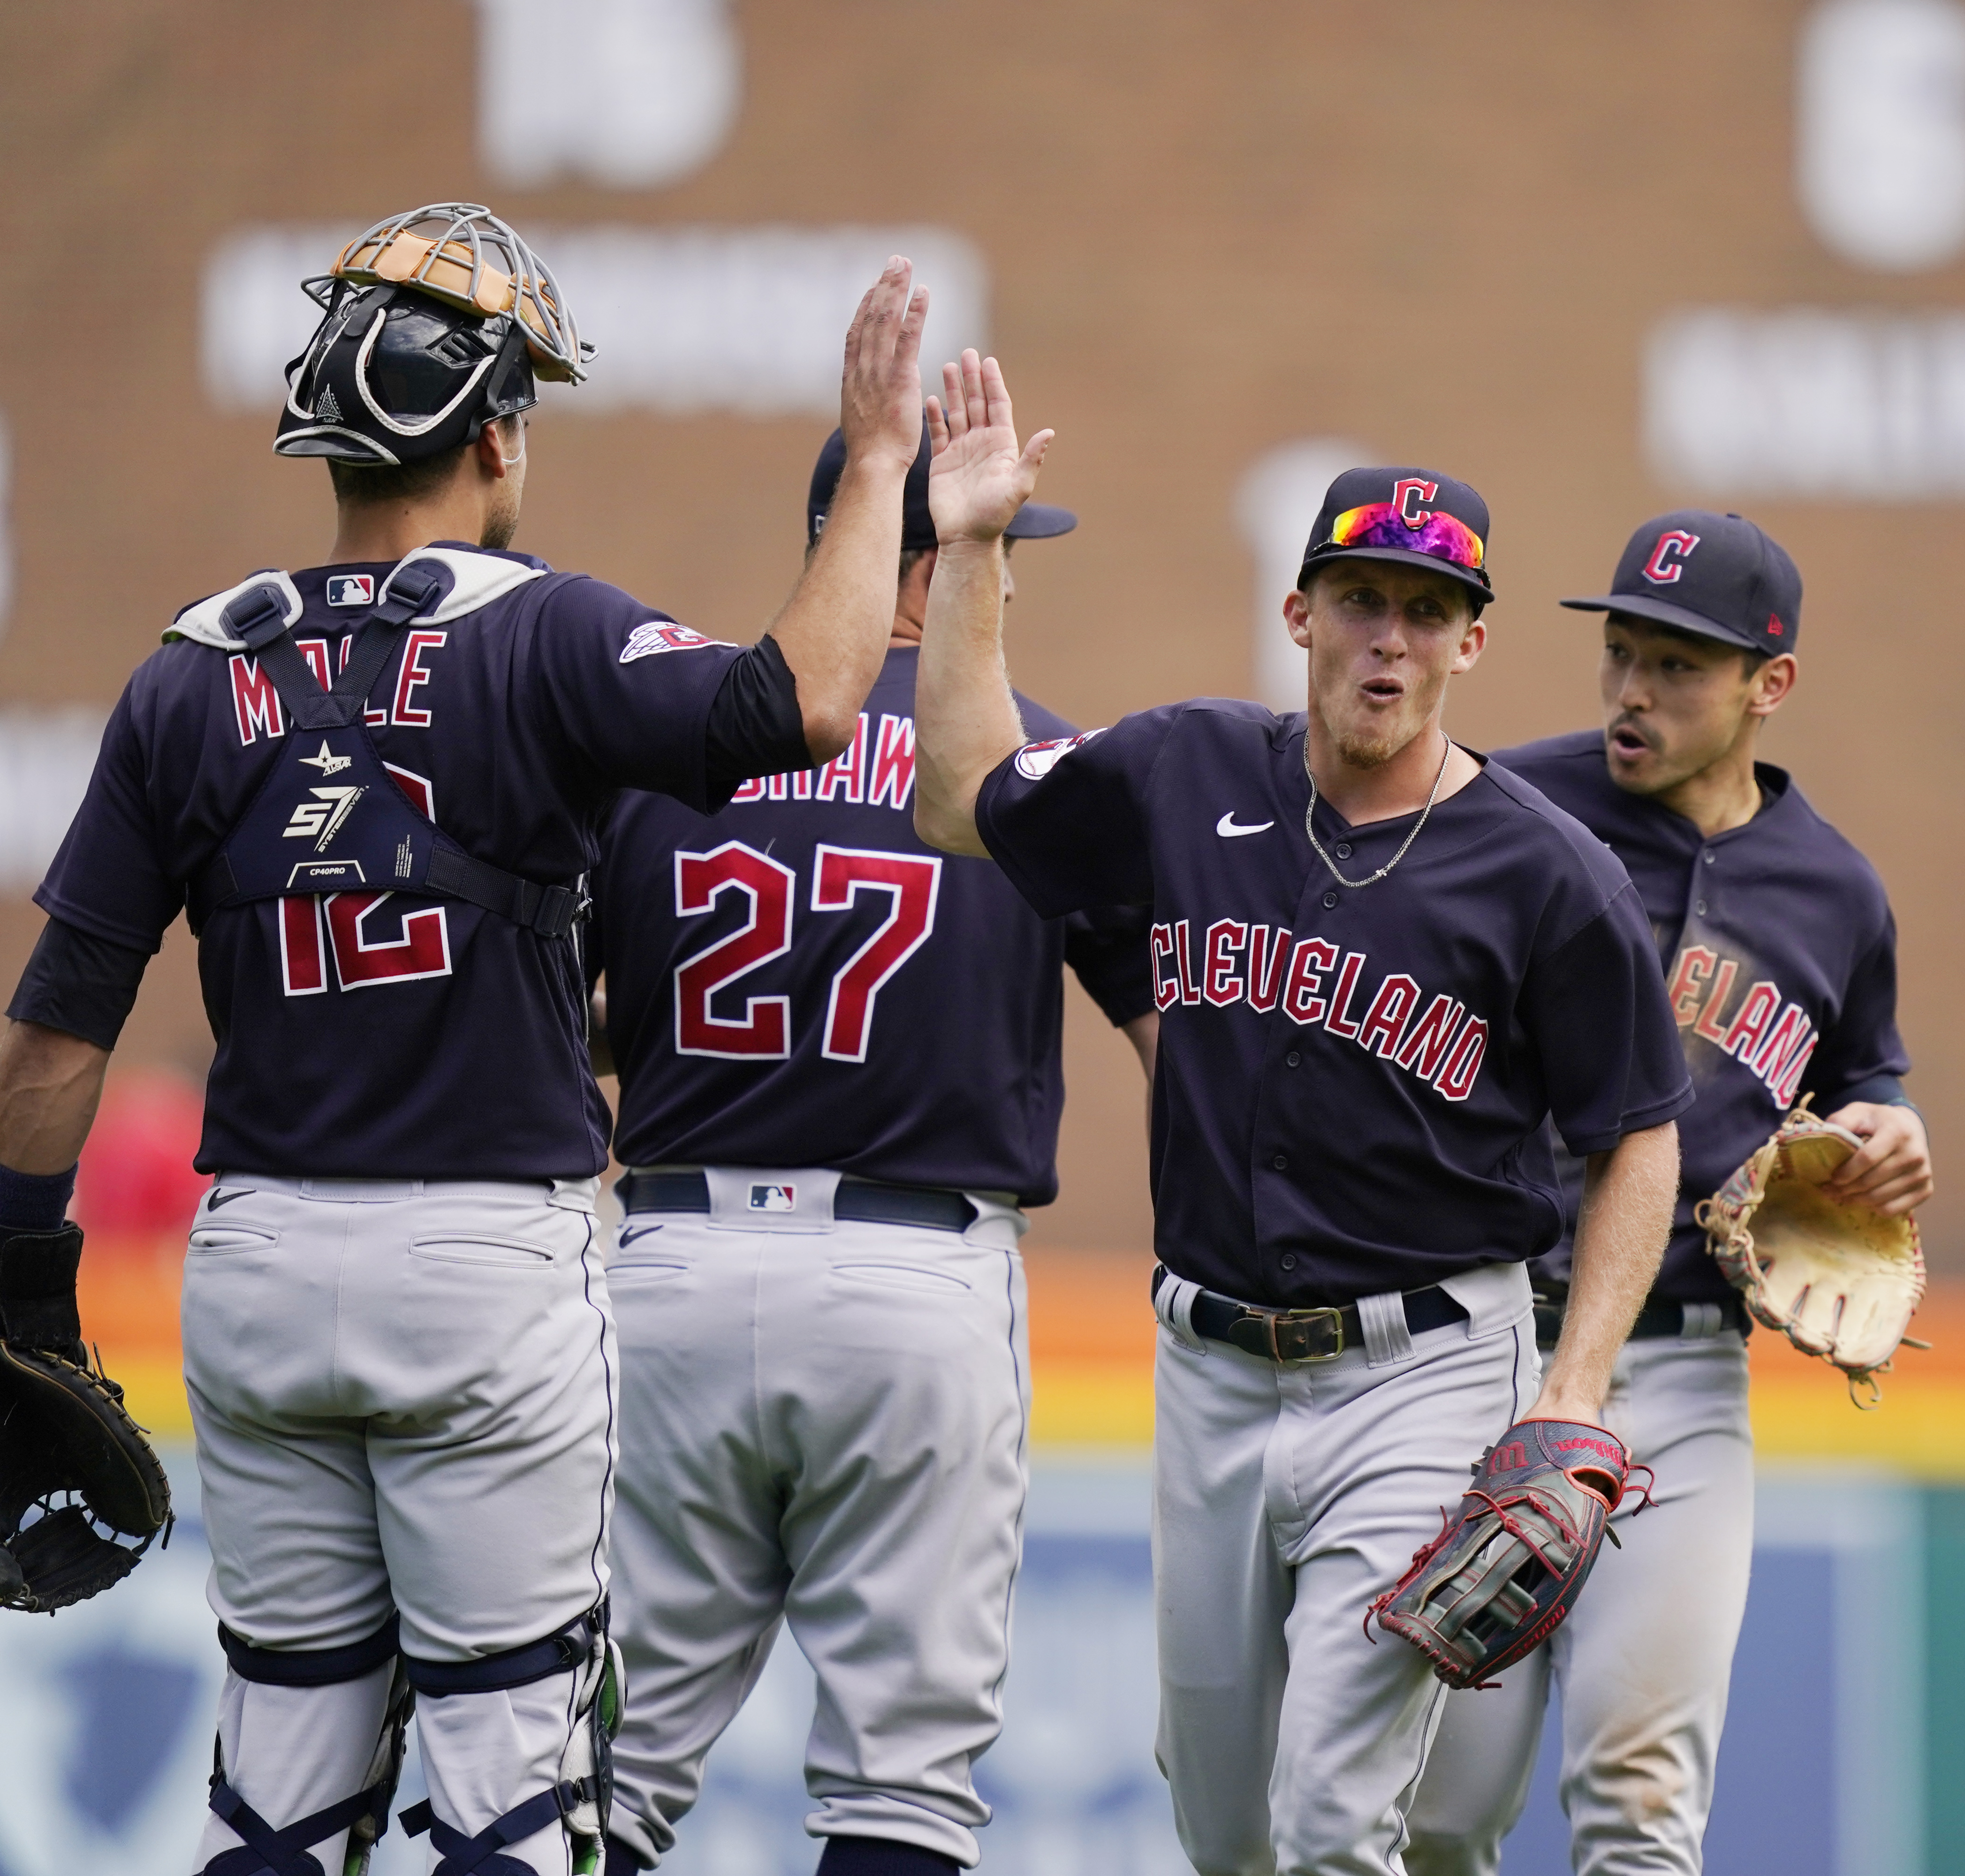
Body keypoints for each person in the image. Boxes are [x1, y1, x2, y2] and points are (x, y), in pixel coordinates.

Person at [0, 203, 927, 1876]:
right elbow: (801, 699)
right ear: (497, 435)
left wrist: (7, 1276)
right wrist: (872, 462)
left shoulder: (188, 674)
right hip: (484, 1262)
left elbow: (58, 1032)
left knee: (280, 1778)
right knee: (510, 1785)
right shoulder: (543, 629)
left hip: (262, 1255)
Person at [904, 356, 1692, 1876]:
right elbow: (961, 801)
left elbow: (1640, 1129)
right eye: (1360, 600)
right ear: (1301, 614)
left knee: (1334, 1822)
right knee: (1222, 1831)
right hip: (1206, 1366)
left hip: (1425, 1369)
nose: (1387, 641)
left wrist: (1575, 1391)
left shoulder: (1543, 873)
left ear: (1472, 642)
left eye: (1423, 611)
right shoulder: (1185, 763)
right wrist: (978, 552)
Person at [586, 426, 1159, 1874]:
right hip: (914, 1284)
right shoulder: (1035, 768)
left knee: (600, 1766)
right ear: (937, 561)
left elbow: (562, 1025)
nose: (1010, 580)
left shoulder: (667, 758)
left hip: (669, 1272)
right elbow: (1184, 1043)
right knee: (900, 1785)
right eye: (996, 548)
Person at [1401, 509, 1930, 1875]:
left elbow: (1867, 1075)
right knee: (1436, 1812)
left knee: (1642, 1806)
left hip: (1684, 1387)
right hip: (1486, 1353)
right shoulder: (1504, 810)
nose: (1635, 691)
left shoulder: (1837, 893)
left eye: (1679, 668)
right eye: (1623, 653)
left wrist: (1891, 1135)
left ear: (1772, 685)